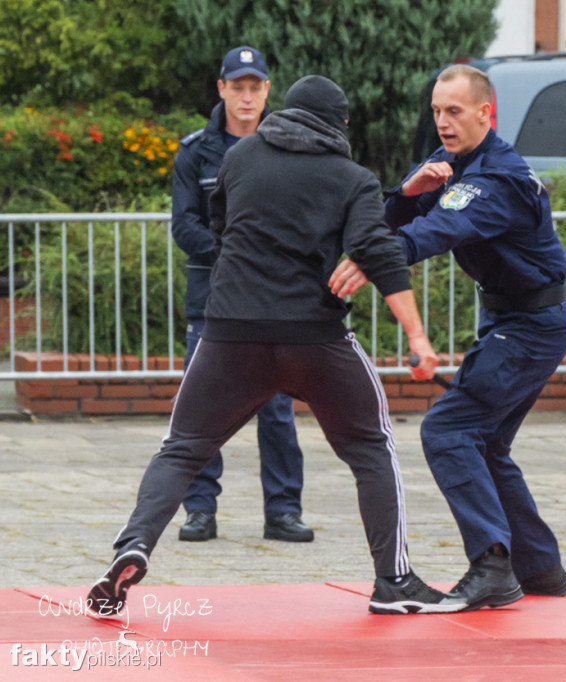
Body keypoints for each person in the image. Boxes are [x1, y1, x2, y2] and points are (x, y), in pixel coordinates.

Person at [89, 75, 465, 617]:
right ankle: (393, 580)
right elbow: (376, 250)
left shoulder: (240, 159)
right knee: (370, 448)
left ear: (285, 111)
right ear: (339, 124)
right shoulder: (351, 177)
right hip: (314, 337)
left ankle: (134, 544)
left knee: (182, 447)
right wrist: (418, 337)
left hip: (230, 332)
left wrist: (402, 195)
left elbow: (218, 228)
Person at [330, 64, 566, 611]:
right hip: (514, 320)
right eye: (437, 111)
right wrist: (405, 191)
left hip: (531, 326)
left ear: (486, 113)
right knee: (485, 442)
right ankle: (540, 567)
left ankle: (493, 565)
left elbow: (437, 232)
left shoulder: (496, 178)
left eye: (454, 111)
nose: (442, 121)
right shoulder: (451, 165)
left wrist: (374, 261)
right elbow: (392, 221)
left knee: (449, 429)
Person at [172, 46, 312, 543]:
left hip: (271, 301)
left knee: (276, 410)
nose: (247, 96)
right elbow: (184, 224)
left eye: (256, 87)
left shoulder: (289, 147)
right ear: (222, 89)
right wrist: (231, 251)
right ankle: (200, 510)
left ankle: (283, 512)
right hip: (211, 301)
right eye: (239, 87)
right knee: (204, 408)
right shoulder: (194, 153)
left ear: (268, 90)